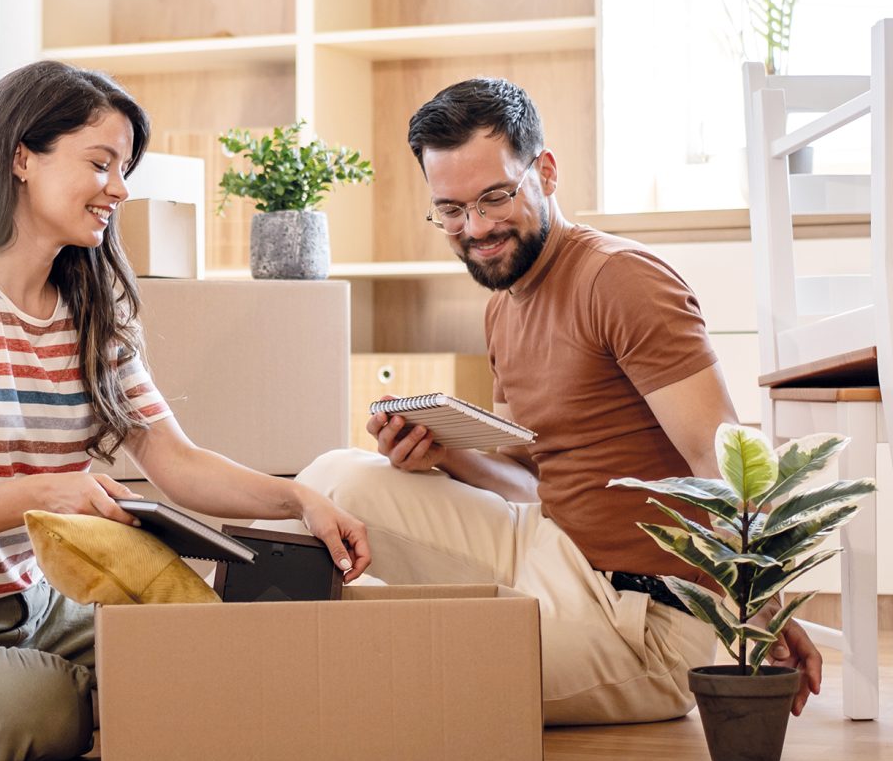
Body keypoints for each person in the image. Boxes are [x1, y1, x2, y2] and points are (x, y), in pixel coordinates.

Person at [0, 61, 371, 761]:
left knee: (216, 656)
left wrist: (300, 499)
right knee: (45, 711)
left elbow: (177, 461)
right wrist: (48, 493)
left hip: (29, 614)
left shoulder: (90, 318)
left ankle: (121, 692)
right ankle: (103, 696)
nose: (120, 188)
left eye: (124, 167)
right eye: (100, 162)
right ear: (22, 156)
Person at [299, 77, 822, 726]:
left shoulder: (621, 280)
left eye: (494, 197)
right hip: (549, 546)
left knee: (403, 669)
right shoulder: (503, 307)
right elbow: (532, 476)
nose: (477, 228)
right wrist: (442, 456)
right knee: (330, 480)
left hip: (643, 618)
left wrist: (768, 607)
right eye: (452, 210)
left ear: (545, 171)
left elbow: (722, 457)